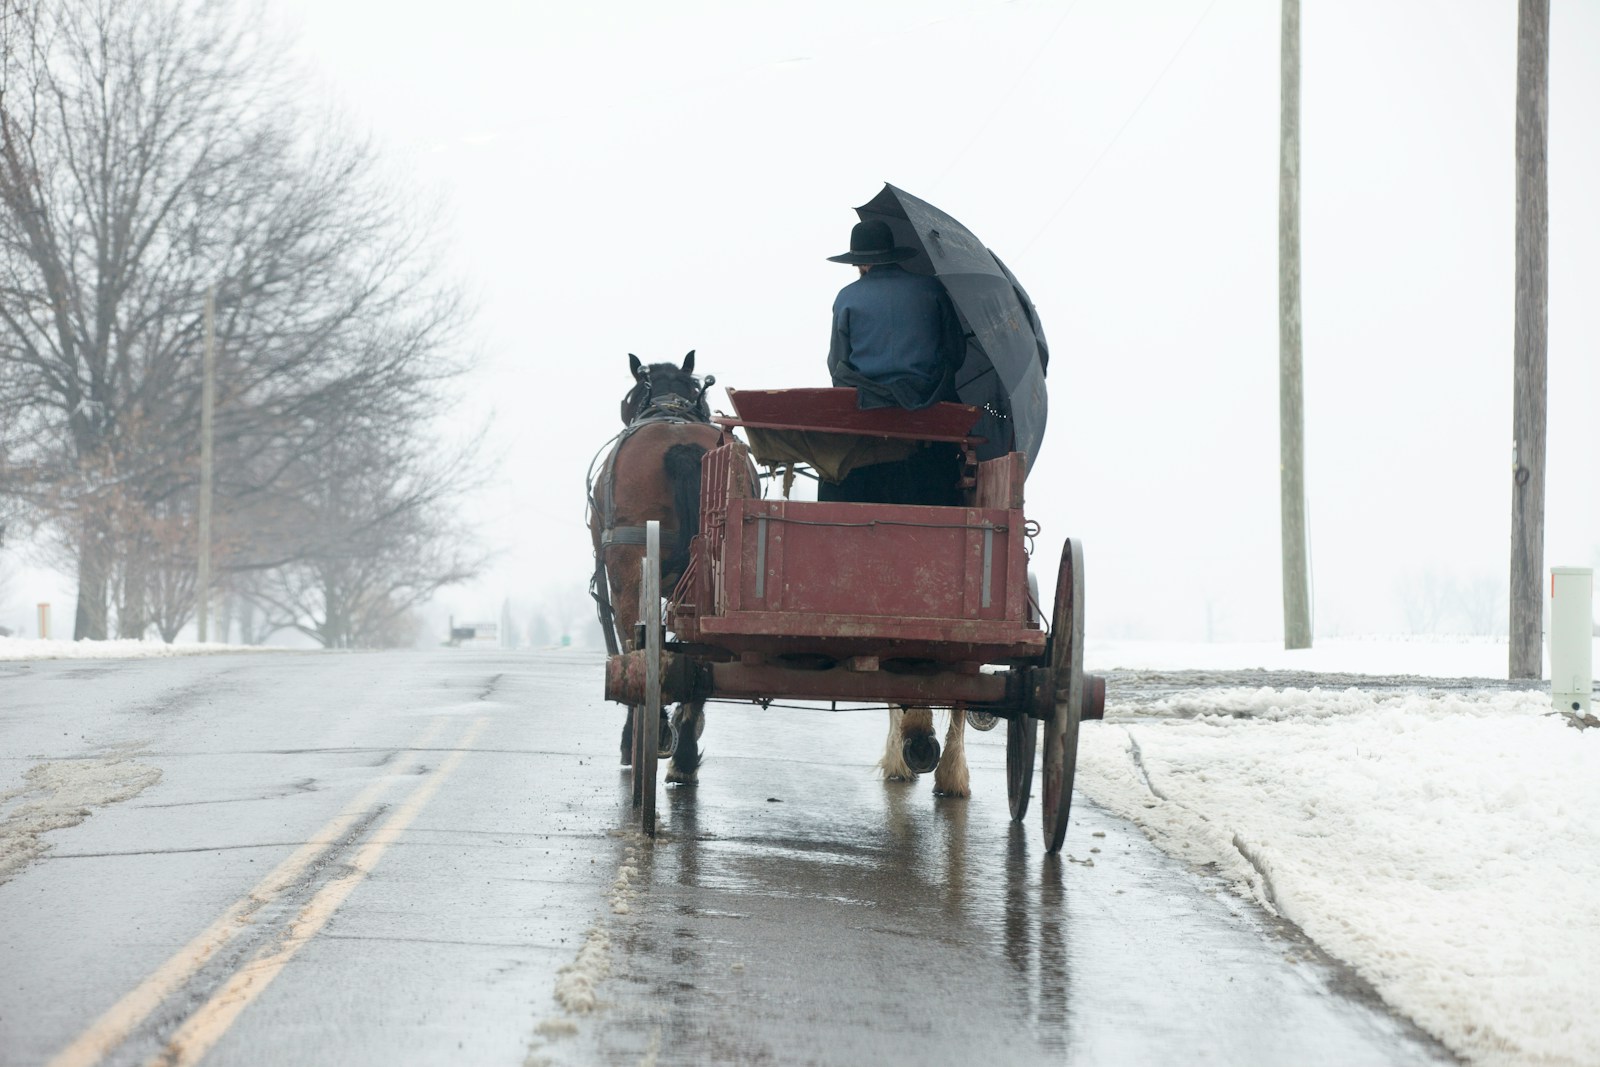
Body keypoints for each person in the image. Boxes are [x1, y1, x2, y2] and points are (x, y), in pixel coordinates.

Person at [821, 219, 965, 505]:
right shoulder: (932, 289)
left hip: (867, 408)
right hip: (930, 406)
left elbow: (838, 365)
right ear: (891, 254)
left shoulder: (847, 298)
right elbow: (956, 354)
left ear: (861, 264)